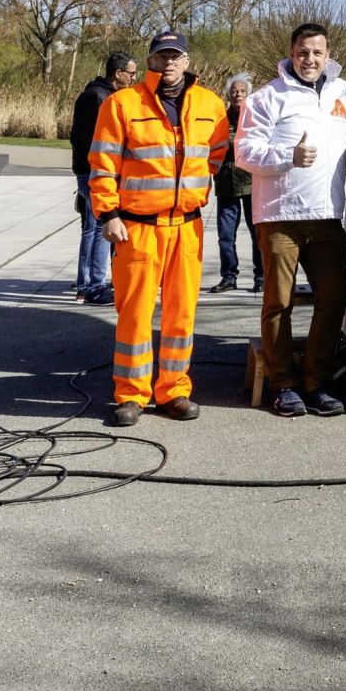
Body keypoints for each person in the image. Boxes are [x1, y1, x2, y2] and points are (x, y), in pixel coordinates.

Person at [88, 30, 229, 427]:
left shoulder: (210, 104)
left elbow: (216, 154)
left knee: (180, 314)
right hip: (137, 228)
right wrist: (108, 214)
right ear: (149, 60)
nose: (169, 63)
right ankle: (131, 394)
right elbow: (102, 165)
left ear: (186, 61)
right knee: (133, 314)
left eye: (176, 56)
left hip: (186, 226)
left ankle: (174, 390)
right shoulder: (122, 104)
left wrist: (195, 187)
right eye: (161, 56)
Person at [236, 22, 346, 420]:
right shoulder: (266, 97)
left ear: (328, 55)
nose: (310, 60)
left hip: (328, 215)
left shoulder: (344, 93)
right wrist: (287, 157)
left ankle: (316, 381)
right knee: (279, 302)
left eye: (317, 53)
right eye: (302, 53)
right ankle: (283, 384)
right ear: (291, 54)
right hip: (281, 216)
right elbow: (243, 151)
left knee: (333, 299)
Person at [70, 49, 136, 304]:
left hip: (96, 171)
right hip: (92, 172)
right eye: (130, 73)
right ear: (118, 73)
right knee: (99, 227)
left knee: (92, 227)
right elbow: (82, 138)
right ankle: (92, 286)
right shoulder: (96, 96)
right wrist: (99, 167)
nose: (133, 78)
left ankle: (86, 283)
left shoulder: (108, 95)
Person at [209, 74, 262, 294]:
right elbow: (214, 143)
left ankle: (261, 277)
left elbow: (253, 145)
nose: (238, 94)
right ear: (228, 94)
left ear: (249, 94)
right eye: (234, 91)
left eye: (242, 91)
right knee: (225, 235)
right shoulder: (220, 118)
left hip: (251, 184)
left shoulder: (255, 118)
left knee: (257, 233)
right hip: (226, 184)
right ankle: (228, 276)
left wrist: (234, 144)